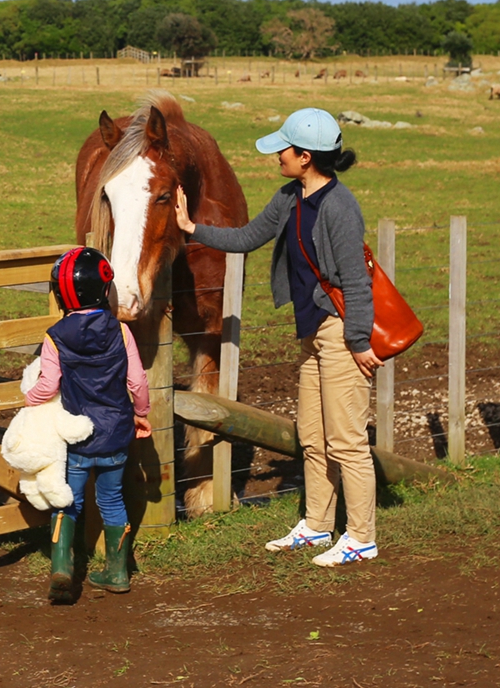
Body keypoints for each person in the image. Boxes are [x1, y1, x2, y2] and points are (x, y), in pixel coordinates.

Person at [174, 107, 383, 567]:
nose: (277, 156)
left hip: (340, 335)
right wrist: (192, 229)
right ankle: (316, 526)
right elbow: (248, 237)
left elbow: (355, 280)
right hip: (311, 334)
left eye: (283, 150)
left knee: (346, 441)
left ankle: (362, 537)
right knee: (312, 436)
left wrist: (360, 341)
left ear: (305, 156)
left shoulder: (341, 208)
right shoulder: (291, 196)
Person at [25, 247, 150, 602]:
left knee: (69, 502)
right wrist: (141, 413)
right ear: (103, 289)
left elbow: (48, 385)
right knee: (112, 500)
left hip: (77, 439)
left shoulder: (55, 336)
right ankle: (118, 572)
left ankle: (62, 569)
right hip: (115, 437)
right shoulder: (121, 332)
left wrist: (28, 399)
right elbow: (137, 381)